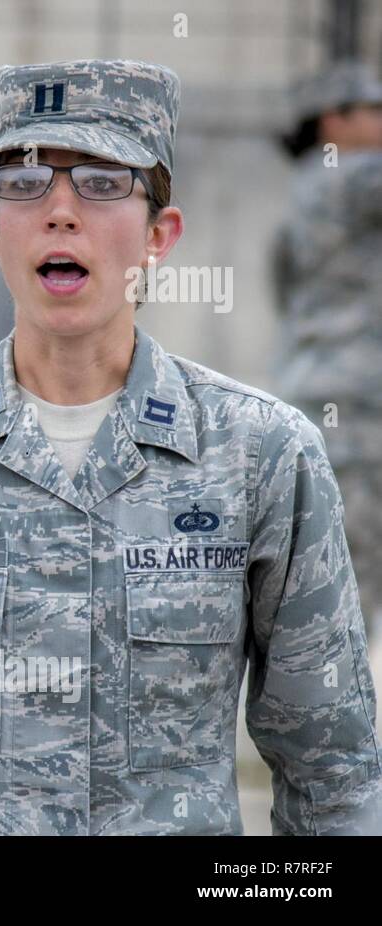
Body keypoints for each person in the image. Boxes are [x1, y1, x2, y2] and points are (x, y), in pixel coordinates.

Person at [0, 59, 382, 835]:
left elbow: (332, 769)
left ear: (161, 235)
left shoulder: (262, 454)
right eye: (22, 182)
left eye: (102, 181)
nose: (58, 210)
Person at [271, 62, 382, 693]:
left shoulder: (305, 191)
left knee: (325, 575)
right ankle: (333, 737)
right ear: (335, 121)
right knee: (353, 578)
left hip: (315, 395)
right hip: (360, 412)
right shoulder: (359, 175)